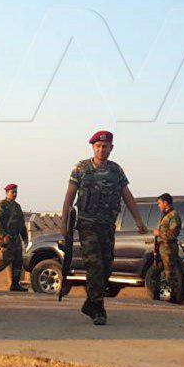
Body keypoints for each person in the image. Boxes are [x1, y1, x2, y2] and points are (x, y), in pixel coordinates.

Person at [60, 131, 148, 325]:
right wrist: (64, 224)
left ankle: (90, 302)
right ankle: (98, 308)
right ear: (93, 147)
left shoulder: (116, 170)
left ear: (111, 148)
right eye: (98, 146)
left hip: (107, 226)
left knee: (107, 266)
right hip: (87, 224)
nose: (101, 149)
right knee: (95, 265)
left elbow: (127, 195)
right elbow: (69, 197)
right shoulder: (81, 168)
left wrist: (139, 221)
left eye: (105, 146)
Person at [0, 184, 28, 291]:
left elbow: (21, 224)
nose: (14, 194)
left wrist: (25, 238)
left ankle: (15, 284)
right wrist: (3, 235)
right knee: (7, 259)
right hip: (6, 237)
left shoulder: (17, 206)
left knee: (18, 261)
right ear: (7, 193)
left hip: (16, 238)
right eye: (12, 192)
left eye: (16, 192)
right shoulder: (2, 205)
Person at [154, 194, 184, 301]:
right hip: (162, 247)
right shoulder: (165, 215)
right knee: (162, 272)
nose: (159, 206)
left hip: (168, 248)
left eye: (160, 203)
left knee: (170, 273)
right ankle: (162, 295)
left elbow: (173, 234)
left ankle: (173, 297)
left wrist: (159, 233)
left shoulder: (173, 215)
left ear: (165, 203)